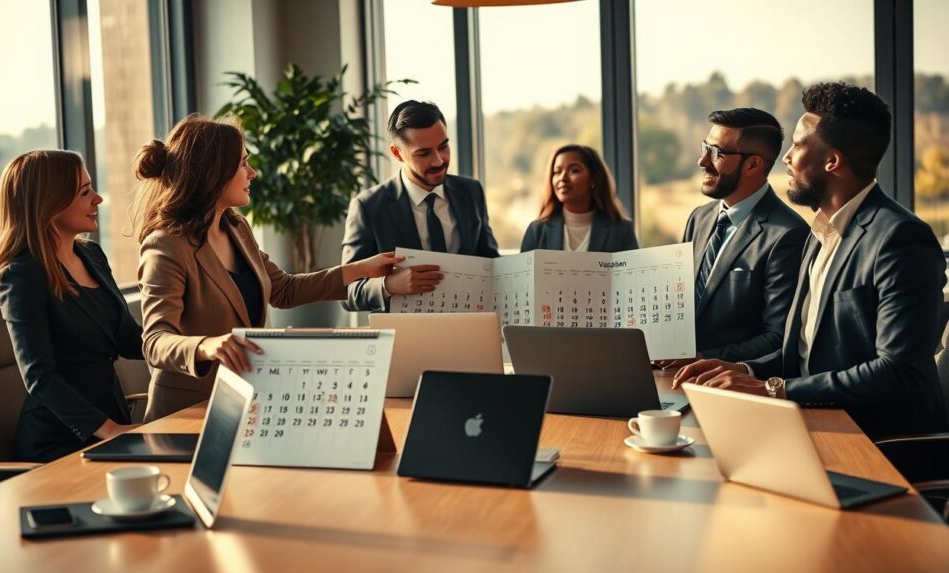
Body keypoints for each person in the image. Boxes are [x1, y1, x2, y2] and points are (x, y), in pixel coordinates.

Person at [674, 83, 948, 439]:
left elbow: (897, 371)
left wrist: (775, 390)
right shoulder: (820, 232)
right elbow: (803, 353)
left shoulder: (900, 239)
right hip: (814, 422)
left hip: (876, 440)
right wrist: (741, 369)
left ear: (832, 161)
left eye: (798, 145)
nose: (785, 157)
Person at [136, 115, 401, 421]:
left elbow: (284, 289)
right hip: (186, 414)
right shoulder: (166, 245)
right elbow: (155, 341)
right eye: (242, 164)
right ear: (213, 173)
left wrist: (362, 269)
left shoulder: (236, 227)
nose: (253, 172)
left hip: (244, 401)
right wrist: (206, 346)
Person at [0, 150, 141, 462]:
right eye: (85, 192)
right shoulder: (21, 276)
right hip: (60, 442)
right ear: (50, 206)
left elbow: (126, 338)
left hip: (112, 422)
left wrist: (191, 348)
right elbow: (40, 377)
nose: (98, 199)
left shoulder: (92, 255)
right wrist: (108, 430)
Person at [656, 108, 808, 369]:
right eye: (705, 147)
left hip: (731, 387)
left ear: (753, 165)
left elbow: (777, 338)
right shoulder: (699, 218)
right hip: (671, 375)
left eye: (716, 153)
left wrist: (702, 359)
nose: (702, 161)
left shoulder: (787, 235)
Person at [342, 100, 500, 312]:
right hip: (405, 337)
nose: (438, 160)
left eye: (443, 147)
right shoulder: (368, 207)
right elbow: (346, 292)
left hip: (469, 328)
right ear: (397, 153)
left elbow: (490, 263)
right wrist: (388, 286)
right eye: (424, 153)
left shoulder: (471, 192)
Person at [520, 144, 637, 253]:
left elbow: (631, 273)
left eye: (574, 170)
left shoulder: (621, 230)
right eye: (557, 172)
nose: (563, 178)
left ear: (594, 178)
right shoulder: (537, 231)